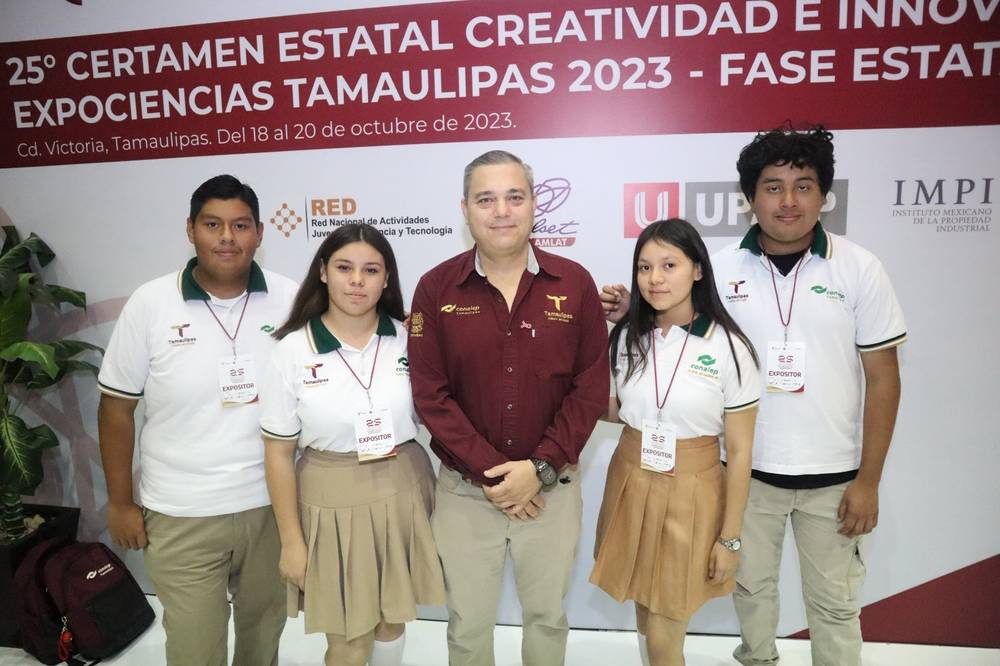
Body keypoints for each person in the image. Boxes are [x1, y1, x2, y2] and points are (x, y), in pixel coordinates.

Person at [602, 125, 906, 666]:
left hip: (833, 478)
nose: (788, 201)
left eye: (803, 186)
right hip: (746, 473)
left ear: (824, 194)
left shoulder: (859, 268)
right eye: (772, 187)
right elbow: (678, 319)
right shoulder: (719, 268)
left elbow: (884, 379)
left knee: (835, 606)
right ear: (750, 197)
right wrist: (637, 312)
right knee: (752, 597)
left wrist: (869, 480)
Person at [408, 149, 609, 666]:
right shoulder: (434, 288)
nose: (501, 211)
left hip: (551, 493)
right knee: (468, 626)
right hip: (465, 494)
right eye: (486, 199)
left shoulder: (575, 283)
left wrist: (538, 469)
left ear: (534, 203)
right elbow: (431, 395)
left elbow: (589, 389)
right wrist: (500, 475)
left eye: (514, 197)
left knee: (547, 619)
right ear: (465, 209)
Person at [97, 174, 297, 665]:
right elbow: (116, 409)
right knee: (195, 650)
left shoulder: (291, 299)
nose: (227, 237)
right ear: (190, 230)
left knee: (263, 641)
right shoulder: (151, 303)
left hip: (270, 509)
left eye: (240, 225)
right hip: (182, 511)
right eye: (212, 224)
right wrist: (120, 502)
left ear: (260, 233)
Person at [258, 223, 445, 666]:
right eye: (344, 268)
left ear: (386, 279)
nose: (357, 281)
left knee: (393, 619)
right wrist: (292, 542)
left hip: (405, 486)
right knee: (348, 639)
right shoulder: (292, 350)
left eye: (371, 270)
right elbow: (278, 454)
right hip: (331, 498)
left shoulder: (410, 338)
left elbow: (445, 410)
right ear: (323, 272)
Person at [591, 218, 759, 666]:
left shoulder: (729, 347)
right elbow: (622, 410)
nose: (655, 279)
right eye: (645, 267)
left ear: (698, 270)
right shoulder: (628, 337)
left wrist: (730, 539)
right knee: (646, 612)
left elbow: (740, 451)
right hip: (630, 478)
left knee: (666, 628)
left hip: (692, 490)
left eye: (669, 265)